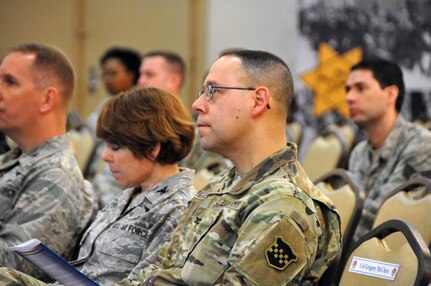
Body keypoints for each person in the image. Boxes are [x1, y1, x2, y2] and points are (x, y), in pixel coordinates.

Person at [116, 49, 341, 285]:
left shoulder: (283, 203)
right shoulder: (220, 186)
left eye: (213, 91)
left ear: (258, 101)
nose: (197, 105)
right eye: (202, 92)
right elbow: (158, 267)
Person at [0, 87, 196, 285]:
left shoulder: (177, 210)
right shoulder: (130, 194)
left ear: (152, 149)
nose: (105, 156)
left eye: (115, 147)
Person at [0, 43, 95, 279]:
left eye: (10, 82)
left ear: (47, 99)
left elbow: (13, 267)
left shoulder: (55, 174)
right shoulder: (14, 159)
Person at [345, 58, 431, 241]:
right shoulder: (359, 152)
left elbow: (385, 219)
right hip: (358, 254)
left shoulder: (422, 146)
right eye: (348, 89)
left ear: (391, 94)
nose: (349, 97)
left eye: (360, 88)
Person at [86, 47, 141, 133]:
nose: (107, 79)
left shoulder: (141, 105)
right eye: (105, 74)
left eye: (113, 73)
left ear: (131, 75)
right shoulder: (104, 105)